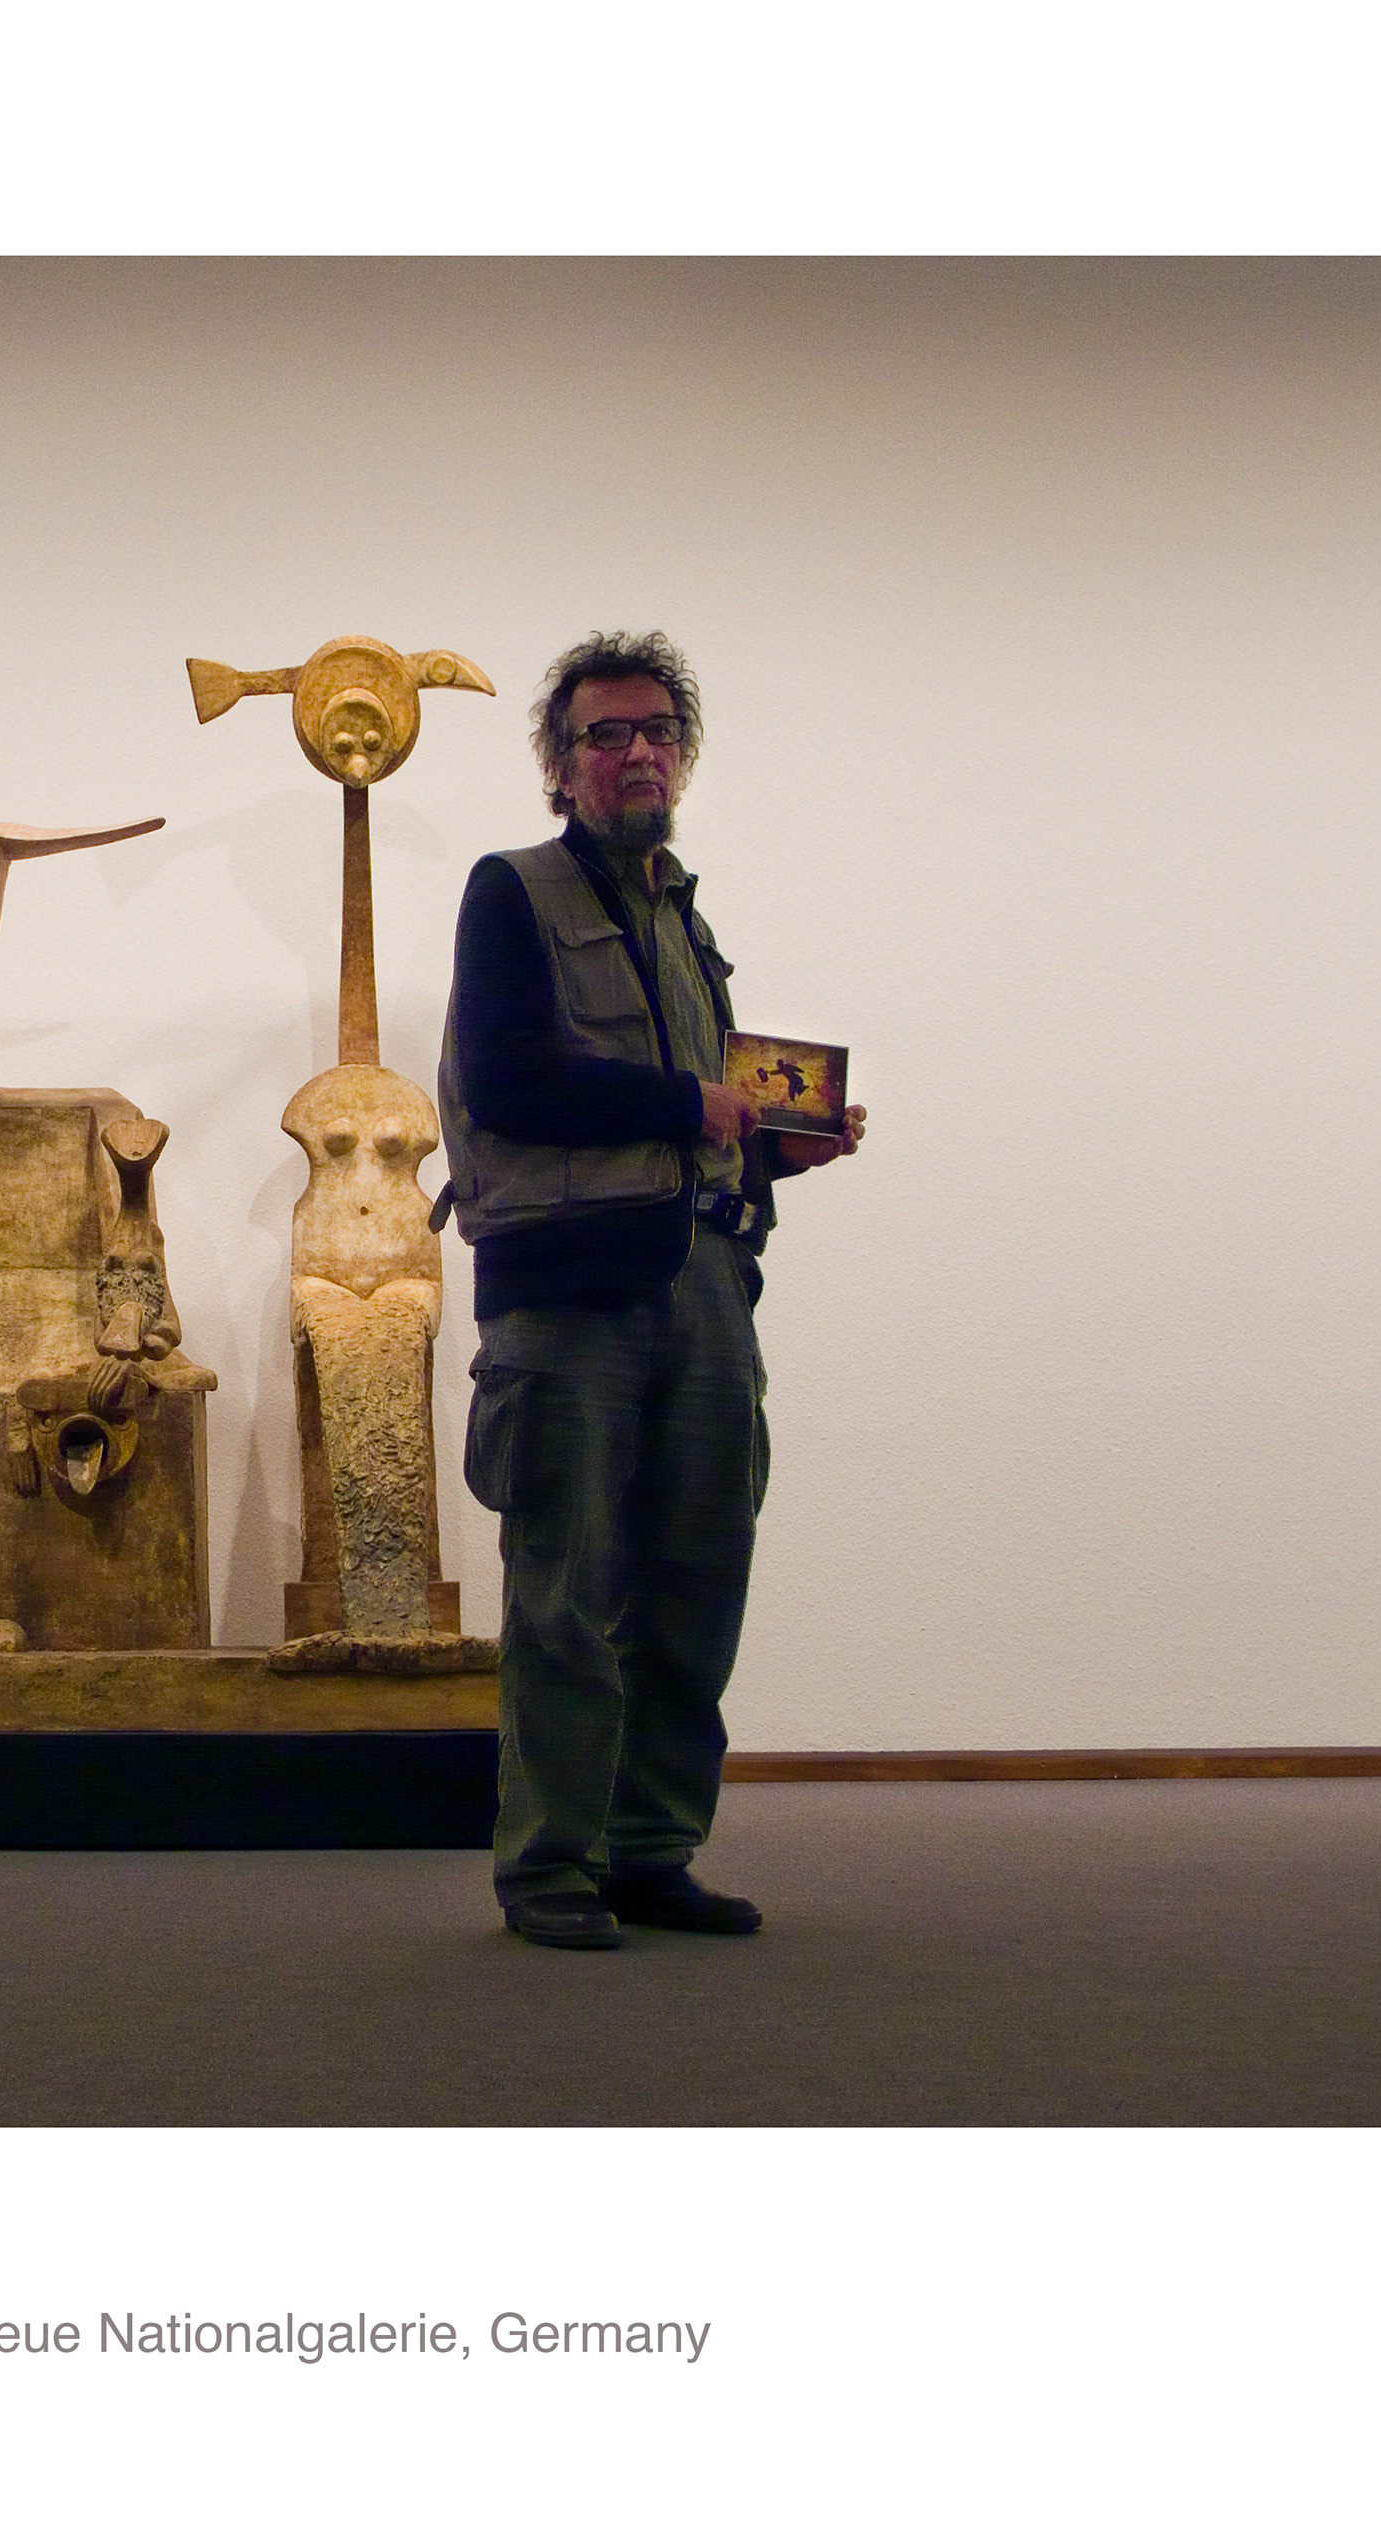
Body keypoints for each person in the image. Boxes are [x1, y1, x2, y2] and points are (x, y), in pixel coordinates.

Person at [435, 632, 866, 1951]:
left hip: (706, 1282)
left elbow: (693, 1120)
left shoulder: (683, 916)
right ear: (560, 767)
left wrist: (773, 1147)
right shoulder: (511, 892)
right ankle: (552, 1867)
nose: (638, 754)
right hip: (568, 1294)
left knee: (697, 1574)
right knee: (566, 1590)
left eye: (659, 732)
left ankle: (651, 1849)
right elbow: (508, 1080)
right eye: (607, 735)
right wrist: (691, 1102)